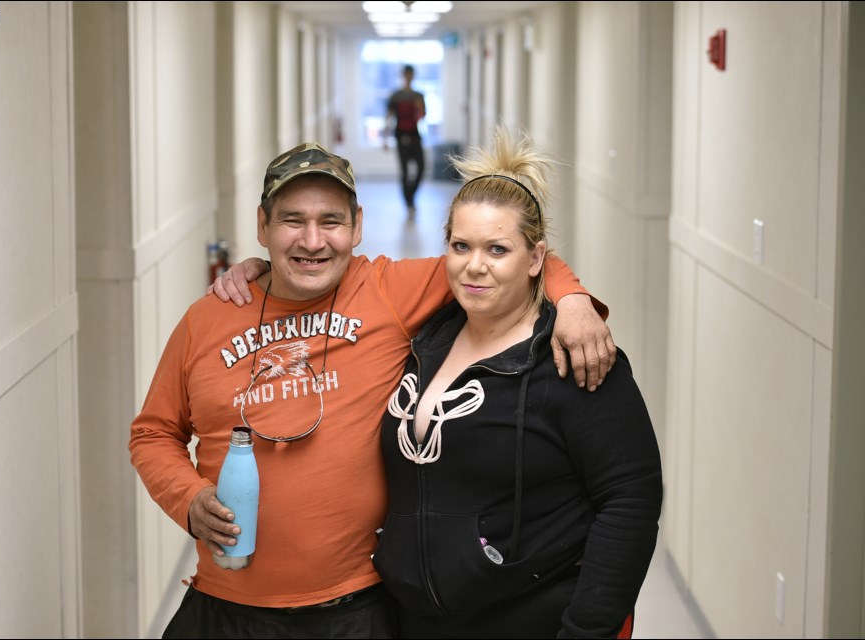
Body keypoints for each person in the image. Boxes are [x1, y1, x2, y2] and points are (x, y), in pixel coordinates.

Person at [131, 141, 615, 639]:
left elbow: (503, 258)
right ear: (262, 227)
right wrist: (188, 498)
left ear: (357, 226)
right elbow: (152, 433)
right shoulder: (208, 318)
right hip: (224, 603)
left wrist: (573, 300)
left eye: (332, 222)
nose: (313, 241)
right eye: (292, 220)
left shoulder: (388, 290)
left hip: (355, 609)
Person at [371, 126, 663, 639]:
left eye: (498, 250)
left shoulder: (574, 358)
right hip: (419, 619)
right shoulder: (427, 338)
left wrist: (586, 630)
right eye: (460, 245)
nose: (474, 266)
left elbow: (631, 502)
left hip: (532, 617)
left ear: (536, 259)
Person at [385, 64, 426, 218]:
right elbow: (389, 116)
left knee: (420, 169)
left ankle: (411, 196)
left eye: (410, 74)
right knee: (405, 172)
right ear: (403, 75)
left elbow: (422, 116)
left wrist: (419, 109)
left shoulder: (418, 96)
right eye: (406, 74)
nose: (408, 77)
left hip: (415, 136)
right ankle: (408, 202)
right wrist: (385, 137)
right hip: (400, 136)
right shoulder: (396, 96)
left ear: (413, 76)